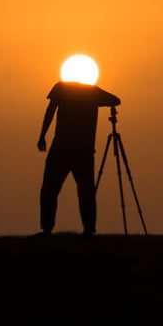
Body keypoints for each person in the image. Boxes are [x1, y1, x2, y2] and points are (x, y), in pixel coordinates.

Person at [37, 80, 120, 236]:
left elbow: (50, 111)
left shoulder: (61, 88)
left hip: (63, 148)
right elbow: (115, 100)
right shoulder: (92, 92)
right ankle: (89, 229)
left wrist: (42, 136)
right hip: (81, 150)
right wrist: (96, 100)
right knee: (84, 190)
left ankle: (47, 228)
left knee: (51, 188)